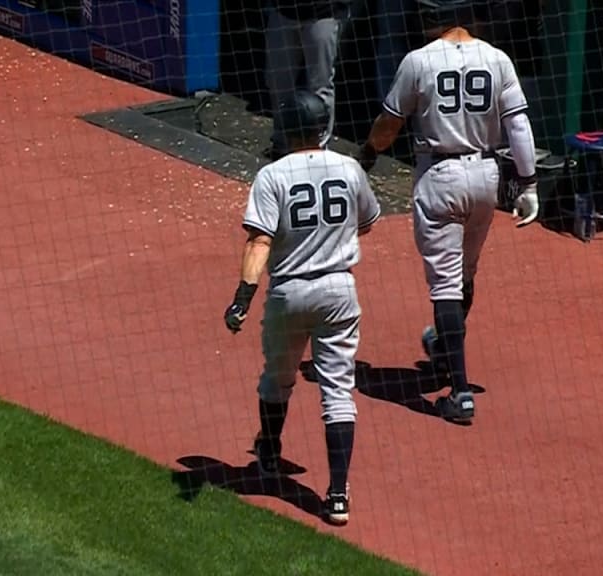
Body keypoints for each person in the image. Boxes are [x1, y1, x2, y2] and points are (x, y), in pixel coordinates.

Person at [357, 0, 540, 424]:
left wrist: (367, 153)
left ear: (431, 18)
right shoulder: (497, 58)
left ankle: (458, 392)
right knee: (465, 275)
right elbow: (518, 126)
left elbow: (389, 123)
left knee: (444, 285)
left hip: (439, 177)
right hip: (486, 179)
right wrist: (528, 184)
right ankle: (443, 348)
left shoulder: (417, 61)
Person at [224, 90, 381, 525]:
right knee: (337, 391)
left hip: (289, 292)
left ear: (286, 129)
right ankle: (336, 495)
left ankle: (270, 456)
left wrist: (241, 299)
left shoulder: (272, 176)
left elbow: (259, 241)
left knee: (277, 378)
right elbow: (366, 222)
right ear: (323, 127)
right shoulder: (349, 168)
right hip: (338, 290)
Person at [263, 0, 351, 160]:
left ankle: (320, 147)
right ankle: (282, 143)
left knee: (320, 86)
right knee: (278, 82)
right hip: (283, 12)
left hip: (323, 14)